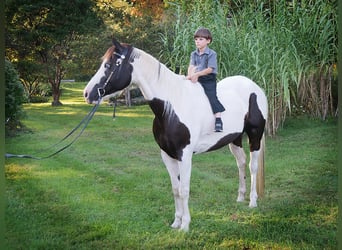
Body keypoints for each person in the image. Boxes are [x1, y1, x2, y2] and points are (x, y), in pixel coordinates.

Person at [186, 27, 225, 132]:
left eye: (201, 39)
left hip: (208, 78)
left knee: (211, 96)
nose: (197, 41)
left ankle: (218, 119)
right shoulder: (193, 54)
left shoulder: (212, 54)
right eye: (196, 39)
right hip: (197, 76)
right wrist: (190, 75)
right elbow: (191, 66)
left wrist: (197, 75)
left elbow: (210, 69)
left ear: (208, 41)